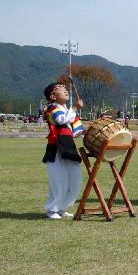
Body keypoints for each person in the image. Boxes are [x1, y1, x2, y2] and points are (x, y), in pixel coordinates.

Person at [41, 82, 84, 220]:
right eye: (60, 89)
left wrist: (80, 131)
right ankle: (52, 209)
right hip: (56, 148)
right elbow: (61, 120)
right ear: (53, 96)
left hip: (69, 147)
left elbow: (77, 126)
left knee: (75, 179)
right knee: (59, 180)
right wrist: (75, 107)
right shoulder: (52, 109)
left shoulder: (68, 111)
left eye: (66, 89)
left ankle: (63, 207)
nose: (65, 90)